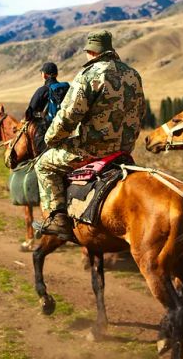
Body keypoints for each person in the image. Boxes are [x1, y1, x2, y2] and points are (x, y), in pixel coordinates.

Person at [35, 30, 145, 239]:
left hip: (92, 149)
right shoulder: (133, 74)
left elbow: (68, 116)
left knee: (44, 165)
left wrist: (51, 139)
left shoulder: (90, 75)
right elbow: (140, 111)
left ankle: (58, 219)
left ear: (91, 51)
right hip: (123, 149)